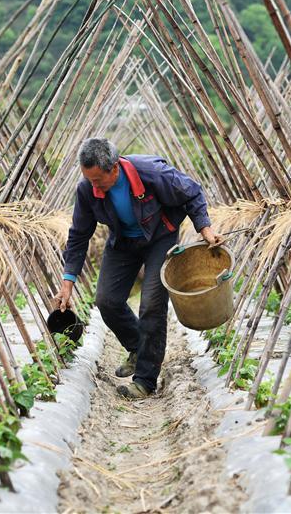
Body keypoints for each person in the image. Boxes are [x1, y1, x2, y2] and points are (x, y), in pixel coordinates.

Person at [54, 138, 221, 398]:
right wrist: (67, 282)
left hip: (159, 238)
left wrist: (205, 229)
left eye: (98, 180)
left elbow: (192, 191)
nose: (94, 186)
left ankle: (145, 380)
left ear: (115, 169)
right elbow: (78, 235)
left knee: (151, 305)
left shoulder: (152, 173)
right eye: (89, 180)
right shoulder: (87, 189)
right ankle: (137, 347)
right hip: (122, 241)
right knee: (107, 301)